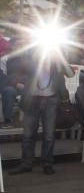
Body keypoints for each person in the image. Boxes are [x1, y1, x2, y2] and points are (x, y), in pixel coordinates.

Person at [6, 46, 72, 176]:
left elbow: (70, 74)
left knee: (48, 135)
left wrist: (60, 58)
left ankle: (47, 163)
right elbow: (14, 73)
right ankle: (26, 163)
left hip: (51, 101)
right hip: (32, 101)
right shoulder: (30, 61)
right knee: (27, 135)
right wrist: (18, 83)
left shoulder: (57, 64)